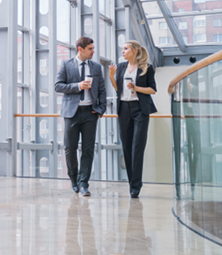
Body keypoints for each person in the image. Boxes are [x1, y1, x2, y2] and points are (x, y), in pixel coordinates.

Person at [55, 37, 107, 196]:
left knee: (88, 149)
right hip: (72, 113)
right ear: (80, 49)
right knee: (70, 148)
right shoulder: (66, 64)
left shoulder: (97, 67)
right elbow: (58, 86)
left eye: (93, 48)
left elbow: (102, 90)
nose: (93, 51)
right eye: (90, 49)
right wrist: (78, 86)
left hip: (90, 113)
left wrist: (100, 110)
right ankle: (73, 180)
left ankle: (84, 183)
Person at [108, 40, 157, 199]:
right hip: (124, 110)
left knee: (138, 147)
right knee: (127, 148)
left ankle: (136, 186)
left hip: (140, 110)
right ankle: (132, 183)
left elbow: (152, 90)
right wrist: (111, 77)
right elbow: (119, 89)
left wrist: (136, 88)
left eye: (125, 48)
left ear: (135, 50)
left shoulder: (146, 68)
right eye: (122, 49)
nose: (123, 51)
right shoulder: (121, 67)